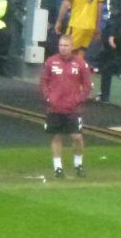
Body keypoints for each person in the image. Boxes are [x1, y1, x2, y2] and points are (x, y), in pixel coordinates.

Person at [39, 34, 92, 178]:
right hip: (55, 107)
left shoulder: (80, 63)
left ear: (72, 47)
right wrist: (48, 97)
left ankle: (78, 164)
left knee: (77, 137)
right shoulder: (51, 62)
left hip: (73, 108)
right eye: (61, 45)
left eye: (66, 45)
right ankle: (58, 168)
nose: (63, 48)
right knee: (57, 137)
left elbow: (87, 85)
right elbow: (44, 81)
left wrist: (79, 99)